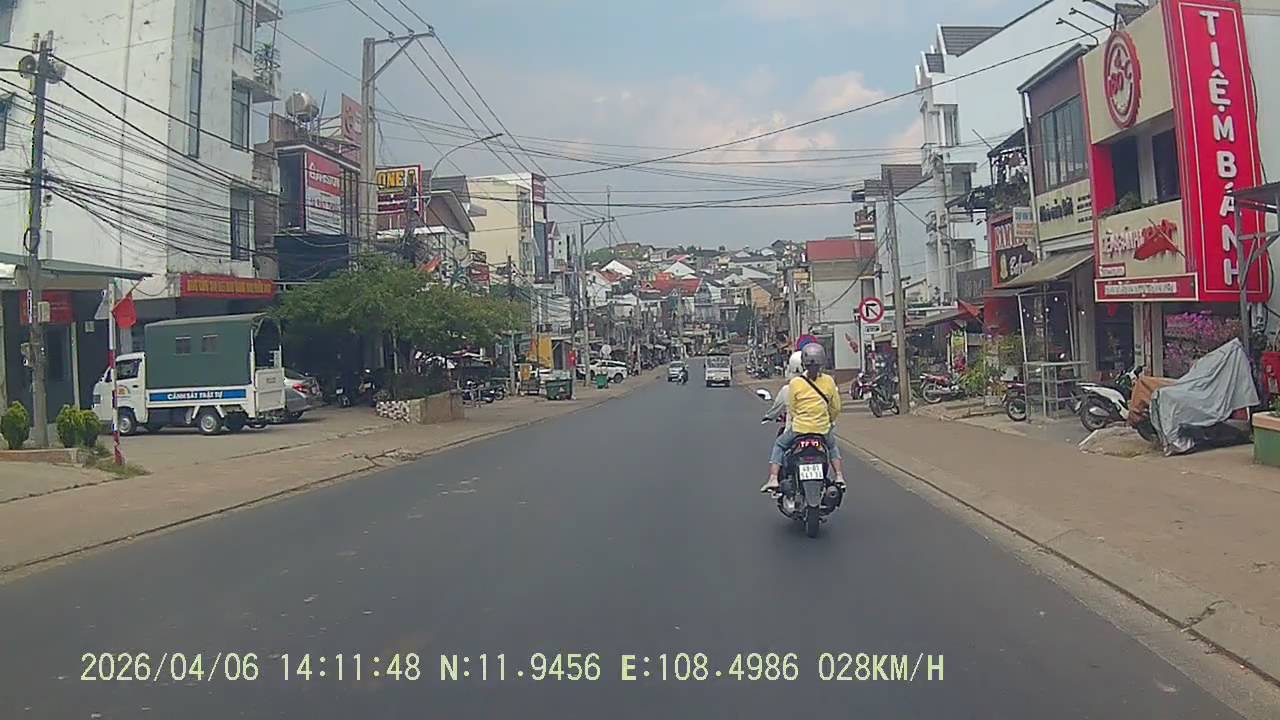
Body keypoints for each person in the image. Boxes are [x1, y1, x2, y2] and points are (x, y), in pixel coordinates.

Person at [762, 343, 846, 493]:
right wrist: (827, 420)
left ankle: (773, 478)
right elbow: (836, 407)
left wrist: (800, 419)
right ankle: (839, 476)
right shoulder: (828, 381)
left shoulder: (795, 383)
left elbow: (793, 408)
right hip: (822, 429)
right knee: (832, 447)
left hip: (799, 429)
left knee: (780, 445)